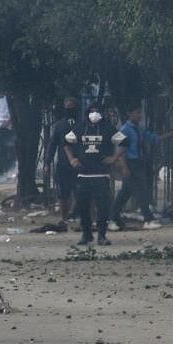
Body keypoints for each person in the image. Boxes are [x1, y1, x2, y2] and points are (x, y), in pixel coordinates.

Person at [111, 104, 173, 230]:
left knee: (125, 193)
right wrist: (123, 166)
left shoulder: (139, 129)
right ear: (129, 114)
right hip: (131, 163)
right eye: (137, 112)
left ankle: (112, 218)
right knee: (142, 191)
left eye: (140, 113)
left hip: (139, 162)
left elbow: (152, 138)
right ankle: (148, 219)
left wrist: (171, 134)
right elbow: (119, 149)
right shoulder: (124, 129)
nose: (139, 115)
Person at [64, 104, 121, 245]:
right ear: (87, 113)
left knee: (103, 207)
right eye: (91, 111)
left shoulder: (108, 128)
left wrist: (114, 158)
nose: (94, 114)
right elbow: (66, 142)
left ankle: (102, 235)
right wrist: (72, 159)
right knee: (83, 207)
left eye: (97, 111)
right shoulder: (80, 128)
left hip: (101, 175)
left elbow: (124, 141)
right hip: (83, 175)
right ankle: (86, 234)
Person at [44, 97, 80, 226]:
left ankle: (82, 216)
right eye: (67, 106)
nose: (70, 109)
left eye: (72, 106)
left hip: (80, 164)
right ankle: (64, 218)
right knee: (64, 193)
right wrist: (47, 163)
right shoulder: (59, 126)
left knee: (81, 192)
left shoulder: (82, 124)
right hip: (64, 164)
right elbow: (52, 145)